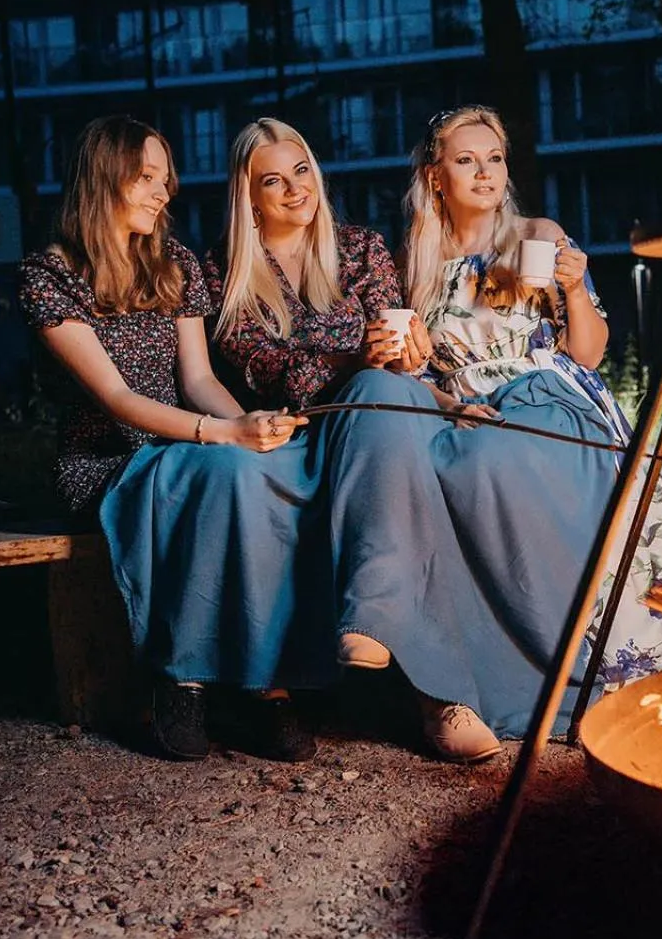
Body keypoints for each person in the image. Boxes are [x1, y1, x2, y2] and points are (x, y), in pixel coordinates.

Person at [18, 115, 325, 764]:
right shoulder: (49, 278)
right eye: (147, 178)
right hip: (105, 461)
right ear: (105, 181)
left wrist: (251, 426)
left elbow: (199, 379)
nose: (165, 192)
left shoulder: (173, 262)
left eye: (167, 179)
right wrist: (221, 434)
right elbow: (118, 400)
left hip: (182, 447)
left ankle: (258, 679)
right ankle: (185, 679)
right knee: (219, 469)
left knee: (257, 470)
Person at [403, 105, 662, 736]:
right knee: (446, 469)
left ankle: (600, 669)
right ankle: (497, 677)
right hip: (469, 412)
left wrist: (574, 288)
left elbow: (590, 353)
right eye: (466, 160)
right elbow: (419, 379)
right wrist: (451, 404)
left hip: (550, 393)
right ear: (437, 176)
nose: (484, 173)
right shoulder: (415, 265)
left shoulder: (537, 234)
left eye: (494, 159)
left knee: (503, 457)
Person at [205, 117, 503, 763]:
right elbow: (271, 371)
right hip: (300, 434)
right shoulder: (222, 273)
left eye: (302, 171)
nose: (293, 191)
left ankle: (377, 616)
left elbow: (401, 363)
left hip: (386, 417)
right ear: (249, 197)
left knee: (388, 393)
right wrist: (358, 365)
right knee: (377, 394)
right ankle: (440, 699)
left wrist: (423, 372)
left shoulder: (361, 248)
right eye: (272, 181)